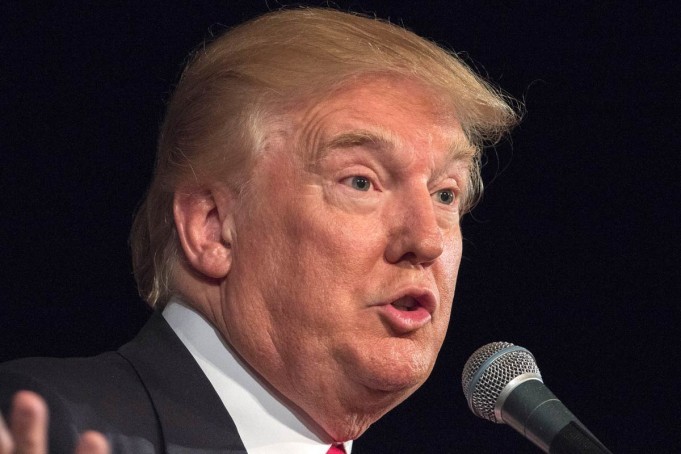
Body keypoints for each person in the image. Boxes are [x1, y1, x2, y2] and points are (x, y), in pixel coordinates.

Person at [0, 7, 518, 453]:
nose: (427, 241)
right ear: (212, 229)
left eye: (445, 194)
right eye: (361, 182)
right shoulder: (48, 423)